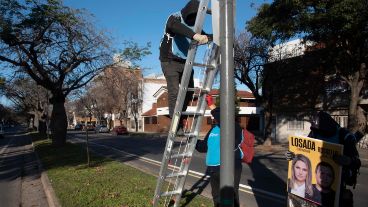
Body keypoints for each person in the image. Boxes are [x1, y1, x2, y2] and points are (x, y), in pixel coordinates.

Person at [159, 0, 211, 134]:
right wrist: (195, 36)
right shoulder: (175, 17)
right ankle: (175, 126)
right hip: (169, 60)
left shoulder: (195, 26)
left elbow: (206, 36)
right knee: (175, 92)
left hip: (185, 62)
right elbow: (175, 26)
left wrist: (219, 38)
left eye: (195, 19)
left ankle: (181, 119)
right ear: (187, 13)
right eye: (191, 18)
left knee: (189, 91)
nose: (192, 21)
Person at [195, 95, 243, 207]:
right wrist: (193, 141)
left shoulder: (233, 127)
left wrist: (211, 105)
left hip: (229, 167)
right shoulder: (213, 129)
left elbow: (223, 119)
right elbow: (203, 147)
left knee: (230, 197)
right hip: (214, 170)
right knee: (216, 196)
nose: (215, 118)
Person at [307, 111, 360, 207]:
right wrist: (292, 156)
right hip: (316, 184)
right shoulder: (315, 132)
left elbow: (357, 162)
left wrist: (348, 160)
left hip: (337, 185)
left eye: (322, 131)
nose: (320, 133)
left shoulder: (344, 136)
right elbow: (304, 151)